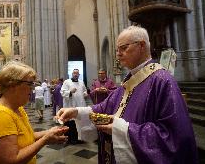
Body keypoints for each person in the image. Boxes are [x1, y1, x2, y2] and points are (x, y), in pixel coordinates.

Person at [57, 26, 198, 164]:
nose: (118, 54)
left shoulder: (162, 80)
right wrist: (76, 111)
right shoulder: (130, 80)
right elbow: (104, 107)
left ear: (141, 45)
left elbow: (174, 137)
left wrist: (123, 130)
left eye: (123, 48)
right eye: (117, 49)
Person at [0, 61, 68, 164]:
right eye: (30, 84)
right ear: (12, 85)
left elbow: (26, 136)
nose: (32, 88)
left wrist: (48, 132)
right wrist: (45, 140)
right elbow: (13, 160)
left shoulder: (18, 108)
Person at [60, 69, 88, 144]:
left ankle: (79, 138)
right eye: (74, 73)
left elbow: (84, 90)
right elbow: (62, 92)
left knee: (79, 123)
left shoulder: (81, 82)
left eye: (77, 73)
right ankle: (69, 139)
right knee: (70, 122)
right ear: (72, 74)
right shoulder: (67, 82)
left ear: (79, 75)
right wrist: (70, 92)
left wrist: (85, 93)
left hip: (80, 105)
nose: (76, 74)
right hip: (70, 105)